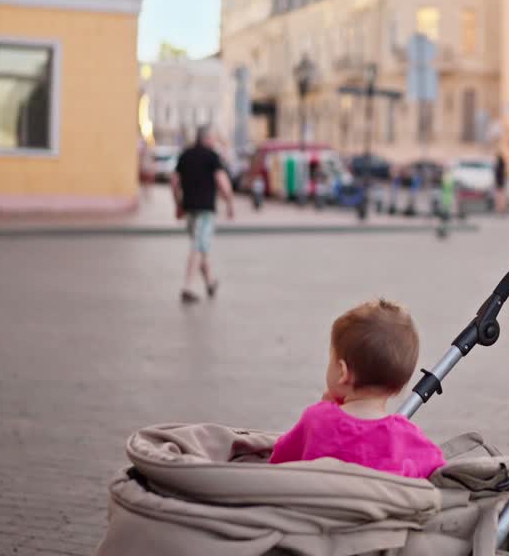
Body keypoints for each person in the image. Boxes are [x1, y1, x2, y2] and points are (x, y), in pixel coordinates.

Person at [269, 299, 446, 479]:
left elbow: (279, 459)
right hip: (379, 505)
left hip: (314, 504)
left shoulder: (317, 419)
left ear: (343, 372)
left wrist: (329, 411)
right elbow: (437, 469)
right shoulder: (406, 436)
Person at [172, 125, 234, 303]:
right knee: (198, 247)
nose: (214, 141)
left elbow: (174, 182)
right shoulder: (212, 157)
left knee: (200, 246)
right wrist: (229, 203)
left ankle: (210, 282)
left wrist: (177, 204)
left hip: (189, 208)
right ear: (207, 139)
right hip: (206, 210)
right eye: (213, 138)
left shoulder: (185, 155)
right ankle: (187, 287)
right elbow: (222, 181)